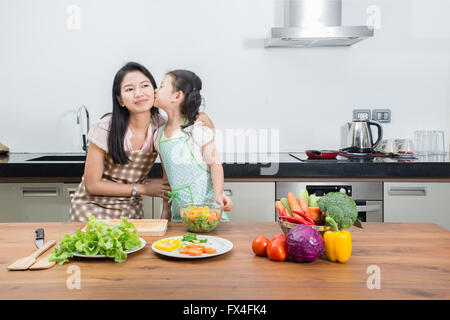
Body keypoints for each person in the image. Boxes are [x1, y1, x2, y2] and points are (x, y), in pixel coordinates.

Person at [69, 62, 215, 221]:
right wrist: (142, 188)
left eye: (144, 85)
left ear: (155, 91)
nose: (138, 93)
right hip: (90, 208)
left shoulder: (162, 127)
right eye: (129, 89)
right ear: (120, 100)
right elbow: (92, 184)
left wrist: (203, 120)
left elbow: (170, 175)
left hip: (130, 210)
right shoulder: (105, 127)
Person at [153, 69, 233, 222]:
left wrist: (218, 194)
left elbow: (215, 164)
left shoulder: (197, 129)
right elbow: (166, 178)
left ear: (177, 96)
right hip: (180, 217)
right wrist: (165, 210)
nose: (156, 90)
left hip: (209, 215)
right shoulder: (158, 136)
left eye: (162, 86)